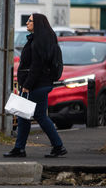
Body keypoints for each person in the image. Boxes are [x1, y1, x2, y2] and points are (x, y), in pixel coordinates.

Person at [4, 13, 67, 158]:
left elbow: (36, 67)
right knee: (24, 116)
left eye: (30, 21)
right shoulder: (44, 40)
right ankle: (20, 148)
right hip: (41, 84)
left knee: (38, 116)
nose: (27, 22)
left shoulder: (38, 42)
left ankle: (58, 146)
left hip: (35, 85)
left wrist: (27, 85)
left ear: (37, 23)